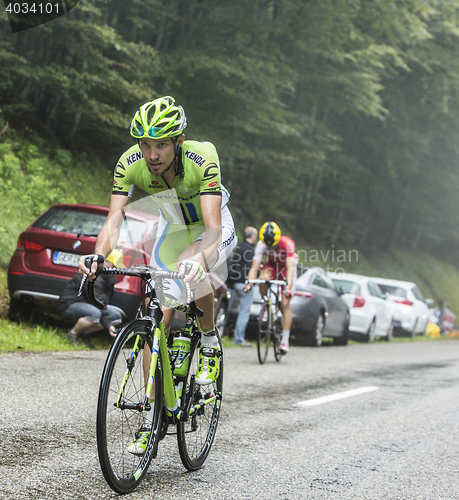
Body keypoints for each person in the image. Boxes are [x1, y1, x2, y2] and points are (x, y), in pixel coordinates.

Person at [78, 95, 235, 383]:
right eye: (145, 144)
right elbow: (114, 220)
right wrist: (98, 255)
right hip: (173, 227)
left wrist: (200, 260)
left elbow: (212, 228)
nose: (152, 155)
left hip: (211, 226)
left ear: (179, 141)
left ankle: (209, 341)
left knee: (190, 264)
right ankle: (151, 415)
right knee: (155, 314)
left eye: (161, 144)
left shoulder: (203, 158)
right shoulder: (128, 163)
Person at [245, 221, 297, 354]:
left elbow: (290, 268)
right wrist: (249, 283)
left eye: (273, 245)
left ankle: (285, 339)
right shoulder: (261, 244)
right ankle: (266, 303)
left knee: (285, 304)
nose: (271, 248)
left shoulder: (287, 243)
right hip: (272, 266)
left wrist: (288, 287)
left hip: (286, 268)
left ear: (278, 239)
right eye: (269, 246)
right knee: (262, 277)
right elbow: (254, 267)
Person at [58, 250, 125, 344]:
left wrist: (109, 323)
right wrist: (109, 325)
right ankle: (72, 335)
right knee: (95, 314)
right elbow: (98, 303)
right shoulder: (94, 275)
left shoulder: (105, 277)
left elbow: (102, 303)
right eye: (114, 266)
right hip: (69, 304)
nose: (114, 270)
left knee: (116, 316)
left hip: (87, 304)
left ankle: (81, 334)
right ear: (105, 262)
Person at [228, 227, 258, 346]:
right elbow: (251, 268)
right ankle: (239, 339)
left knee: (230, 310)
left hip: (235, 282)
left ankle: (223, 333)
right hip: (245, 284)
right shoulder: (250, 250)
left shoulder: (239, 247)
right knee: (244, 312)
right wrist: (250, 283)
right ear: (252, 236)